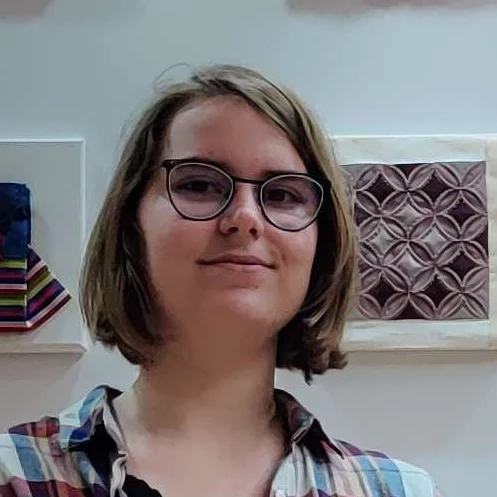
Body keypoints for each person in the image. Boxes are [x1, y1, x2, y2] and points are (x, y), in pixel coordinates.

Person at [0, 64, 443, 497]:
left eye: (282, 194)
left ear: (321, 246)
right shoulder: (13, 477)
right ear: (132, 227)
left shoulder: (399, 491)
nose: (245, 218)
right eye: (199, 185)